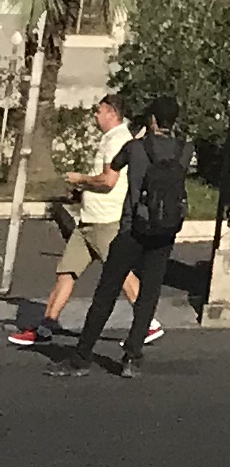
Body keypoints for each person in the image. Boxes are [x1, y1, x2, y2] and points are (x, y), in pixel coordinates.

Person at [52, 97, 193, 378]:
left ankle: (82, 357)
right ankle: (132, 357)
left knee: (106, 293)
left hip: (132, 228)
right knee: (149, 294)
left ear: (152, 120)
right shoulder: (184, 151)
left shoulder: (135, 148)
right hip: (165, 231)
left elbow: (112, 171)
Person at [13, 91, 130, 347]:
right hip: (88, 220)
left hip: (105, 220)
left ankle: (149, 322)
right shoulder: (110, 138)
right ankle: (46, 325)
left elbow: (109, 180)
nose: (96, 116)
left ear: (111, 112)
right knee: (66, 272)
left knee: (120, 272)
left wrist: (81, 179)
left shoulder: (118, 140)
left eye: (99, 111)